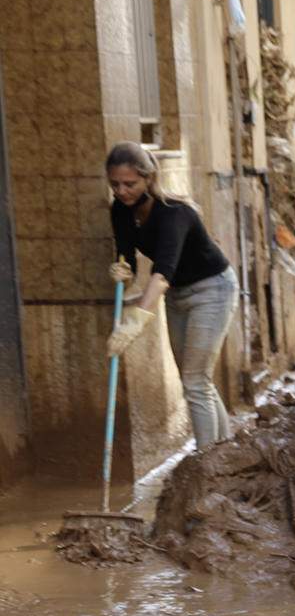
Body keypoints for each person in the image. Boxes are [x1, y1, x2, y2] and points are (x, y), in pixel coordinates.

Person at [104, 142, 239, 449]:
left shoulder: (174, 214)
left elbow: (162, 272)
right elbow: (129, 257)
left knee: (194, 381)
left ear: (148, 179)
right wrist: (122, 270)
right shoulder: (121, 211)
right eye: (115, 184)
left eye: (130, 184)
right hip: (178, 294)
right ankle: (225, 451)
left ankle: (207, 463)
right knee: (196, 380)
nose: (122, 191)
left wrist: (137, 319)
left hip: (213, 289)